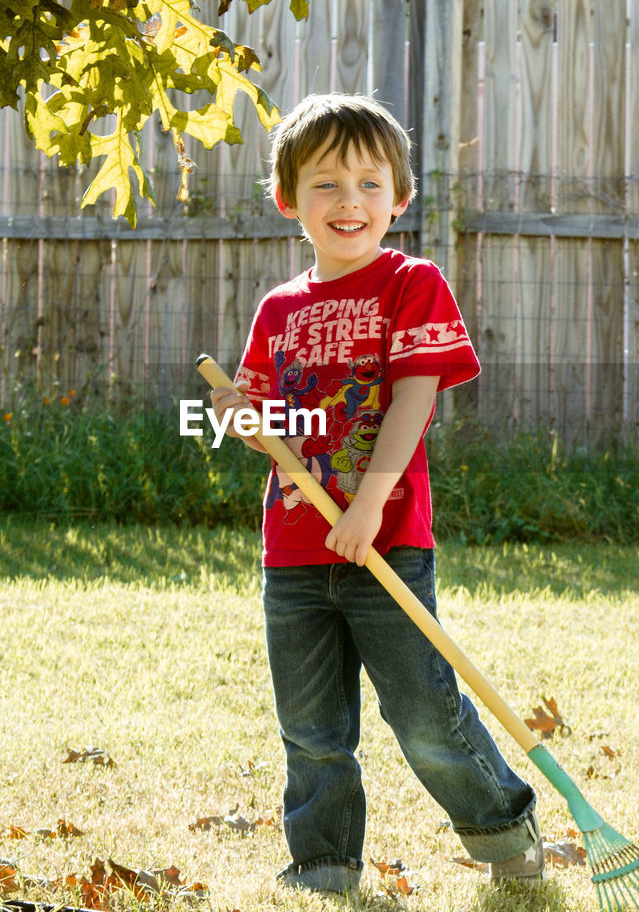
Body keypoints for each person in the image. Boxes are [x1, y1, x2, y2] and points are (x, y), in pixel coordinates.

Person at [209, 93, 542, 894]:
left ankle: (502, 830)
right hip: (293, 549)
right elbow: (267, 430)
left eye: (368, 183)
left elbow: (413, 401)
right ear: (288, 200)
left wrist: (368, 506)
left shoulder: (411, 284)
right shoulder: (278, 310)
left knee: (424, 714)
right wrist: (237, 417)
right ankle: (324, 862)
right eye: (325, 184)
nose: (348, 202)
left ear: (399, 197)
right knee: (311, 727)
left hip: (386, 541)